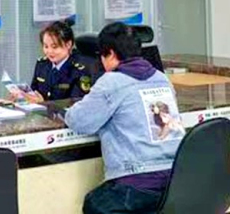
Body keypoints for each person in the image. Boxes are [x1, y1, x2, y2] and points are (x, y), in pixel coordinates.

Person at [65, 22, 184, 214]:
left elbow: (78, 121)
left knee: (94, 204)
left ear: (111, 54)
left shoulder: (111, 81)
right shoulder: (161, 78)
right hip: (176, 181)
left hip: (138, 182)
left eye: (102, 55)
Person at [12, 19, 93, 103]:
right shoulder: (42, 65)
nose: (49, 51)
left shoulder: (79, 71)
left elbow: (75, 105)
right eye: (46, 46)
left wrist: (44, 103)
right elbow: (34, 93)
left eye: (54, 47)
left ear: (68, 44)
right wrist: (23, 97)